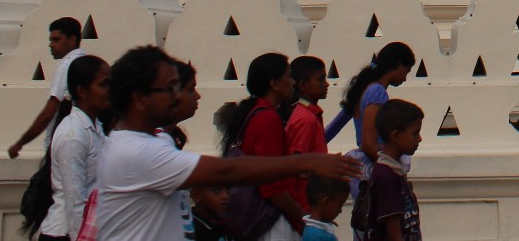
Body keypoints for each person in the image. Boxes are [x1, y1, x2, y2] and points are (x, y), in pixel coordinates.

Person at [95, 45, 361, 241]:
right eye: (171, 89)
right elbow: (226, 172)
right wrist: (307, 162)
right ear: (140, 99)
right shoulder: (135, 152)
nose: (180, 97)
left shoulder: (153, 140)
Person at [222, 53, 308, 240]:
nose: (293, 82)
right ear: (274, 84)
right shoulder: (267, 118)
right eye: (288, 76)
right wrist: (306, 219)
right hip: (270, 220)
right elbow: (270, 185)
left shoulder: (256, 113)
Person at [39, 54, 110, 241]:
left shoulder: (96, 127)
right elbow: (75, 201)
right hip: (65, 233)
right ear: (82, 91)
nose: (110, 90)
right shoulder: (73, 135)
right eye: (103, 84)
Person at [9, 18, 85, 159]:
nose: (51, 45)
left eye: (56, 39)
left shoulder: (66, 66)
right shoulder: (86, 63)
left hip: (62, 142)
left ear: (72, 39)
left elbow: (48, 114)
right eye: (51, 40)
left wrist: (20, 143)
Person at [328, 44, 416, 160]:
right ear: (398, 65)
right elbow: (369, 144)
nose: (405, 78)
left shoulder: (364, 89)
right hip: (372, 161)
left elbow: (335, 125)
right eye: (406, 71)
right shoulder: (377, 92)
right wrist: (391, 166)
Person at [356, 99, 424, 241]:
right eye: (415, 133)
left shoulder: (395, 172)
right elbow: (394, 234)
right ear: (396, 136)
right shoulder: (386, 177)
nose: (420, 139)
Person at [286, 56, 330, 211]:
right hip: (305, 205)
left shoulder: (307, 115)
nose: (326, 84)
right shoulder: (305, 120)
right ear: (303, 85)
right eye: (321, 79)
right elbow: (298, 166)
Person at [302, 175, 349, 241]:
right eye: (340, 205)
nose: (340, 211)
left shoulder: (313, 230)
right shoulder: (318, 236)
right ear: (326, 202)